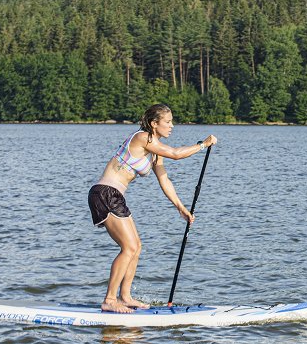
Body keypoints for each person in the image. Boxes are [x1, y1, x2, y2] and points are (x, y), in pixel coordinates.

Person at [88, 104, 218, 313]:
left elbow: (164, 180)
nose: (171, 126)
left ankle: (126, 296)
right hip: (104, 193)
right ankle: (110, 299)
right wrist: (203, 145)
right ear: (153, 123)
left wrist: (181, 208)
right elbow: (176, 153)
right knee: (129, 247)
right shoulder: (142, 137)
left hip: (114, 196)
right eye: (167, 122)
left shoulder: (155, 150)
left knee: (136, 247)